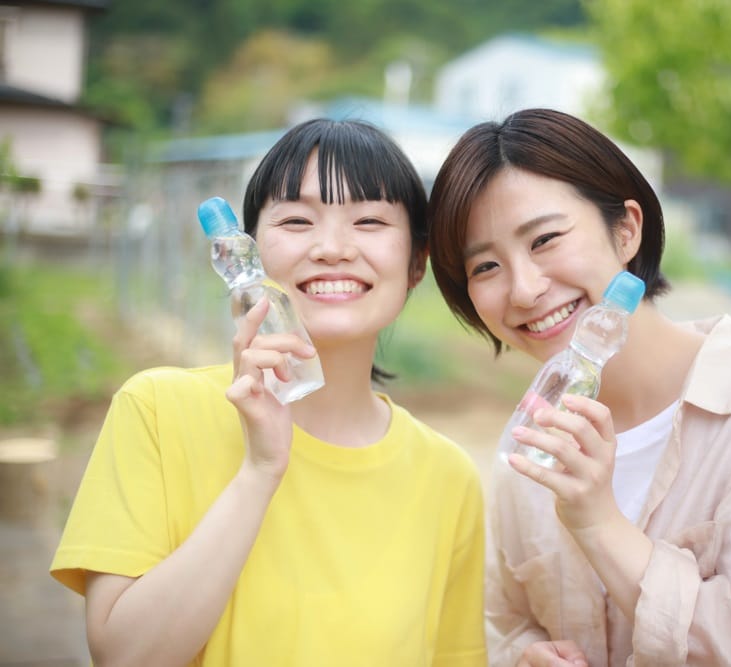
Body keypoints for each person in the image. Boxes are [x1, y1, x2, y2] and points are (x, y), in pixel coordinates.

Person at [426, 108, 731, 666]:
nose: (523, 289)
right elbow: (506, 621)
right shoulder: (531, 445)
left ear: (626, 230)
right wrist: (524, 656)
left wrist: (600, 523)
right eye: (486, 267)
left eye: (544, 239)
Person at [50, 118, 487, 666]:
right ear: (248, 253)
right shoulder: (157, 410)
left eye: (370, 220)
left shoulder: (449, 478)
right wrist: (259, 472)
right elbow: (123, 658)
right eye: (298, 220)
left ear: (416, 263)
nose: (332, 248)